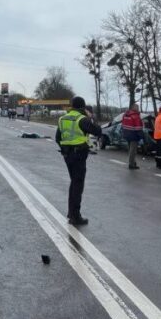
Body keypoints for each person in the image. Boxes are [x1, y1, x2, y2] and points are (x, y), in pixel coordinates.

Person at [55, 96, 103, 225]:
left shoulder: (62, 118)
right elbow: (98, 131)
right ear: (83, 107)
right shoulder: (82, 119)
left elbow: (57, 138)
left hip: (67, 156)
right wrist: (91, 117)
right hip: (79, 155)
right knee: (78, 185)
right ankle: (75, 216)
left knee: (74, 183)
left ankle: (72, 213)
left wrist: (65, 150)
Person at [121, 103, 144, 170]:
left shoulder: (125, 115)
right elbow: (138, 128)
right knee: (133, 150)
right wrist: (141, 137)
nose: (138, 109)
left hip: (126, 134)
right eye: (137, 107)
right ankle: (132, 164)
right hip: (134, 135)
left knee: (130, 149)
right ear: (135, 108)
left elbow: (123, 124)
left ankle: (133, 162)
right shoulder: (135, 116)